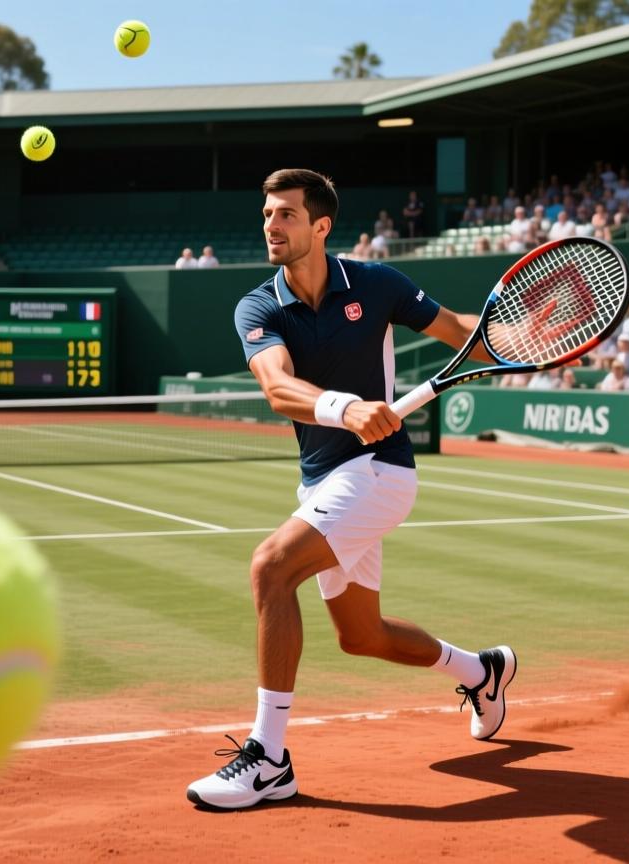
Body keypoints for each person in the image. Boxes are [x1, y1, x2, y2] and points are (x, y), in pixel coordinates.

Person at [185, 169, 516, 811]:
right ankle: (483, 670)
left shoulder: (377, 283)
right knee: (361, 636)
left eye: (285, 215)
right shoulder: (257, 305)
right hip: (323, 476)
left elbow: (461, 332)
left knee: (271, 568)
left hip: (381, 473)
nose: (271, 226)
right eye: (267, 215)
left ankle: (269, 760)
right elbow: (278, 388)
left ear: (320, 225)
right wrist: (346, 406)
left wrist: (533, 335)